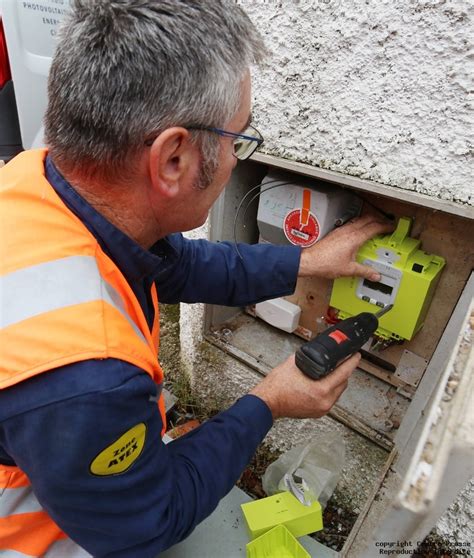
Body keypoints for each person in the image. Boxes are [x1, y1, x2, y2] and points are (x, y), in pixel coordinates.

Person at [0, 1, 392, 556]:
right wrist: (269, 402)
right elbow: (149, 522)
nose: (236, 159)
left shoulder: (37, 178)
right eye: (238, 140)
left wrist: (306, 262)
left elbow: (177, 265)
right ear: (173, 159)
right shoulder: (86, 377)